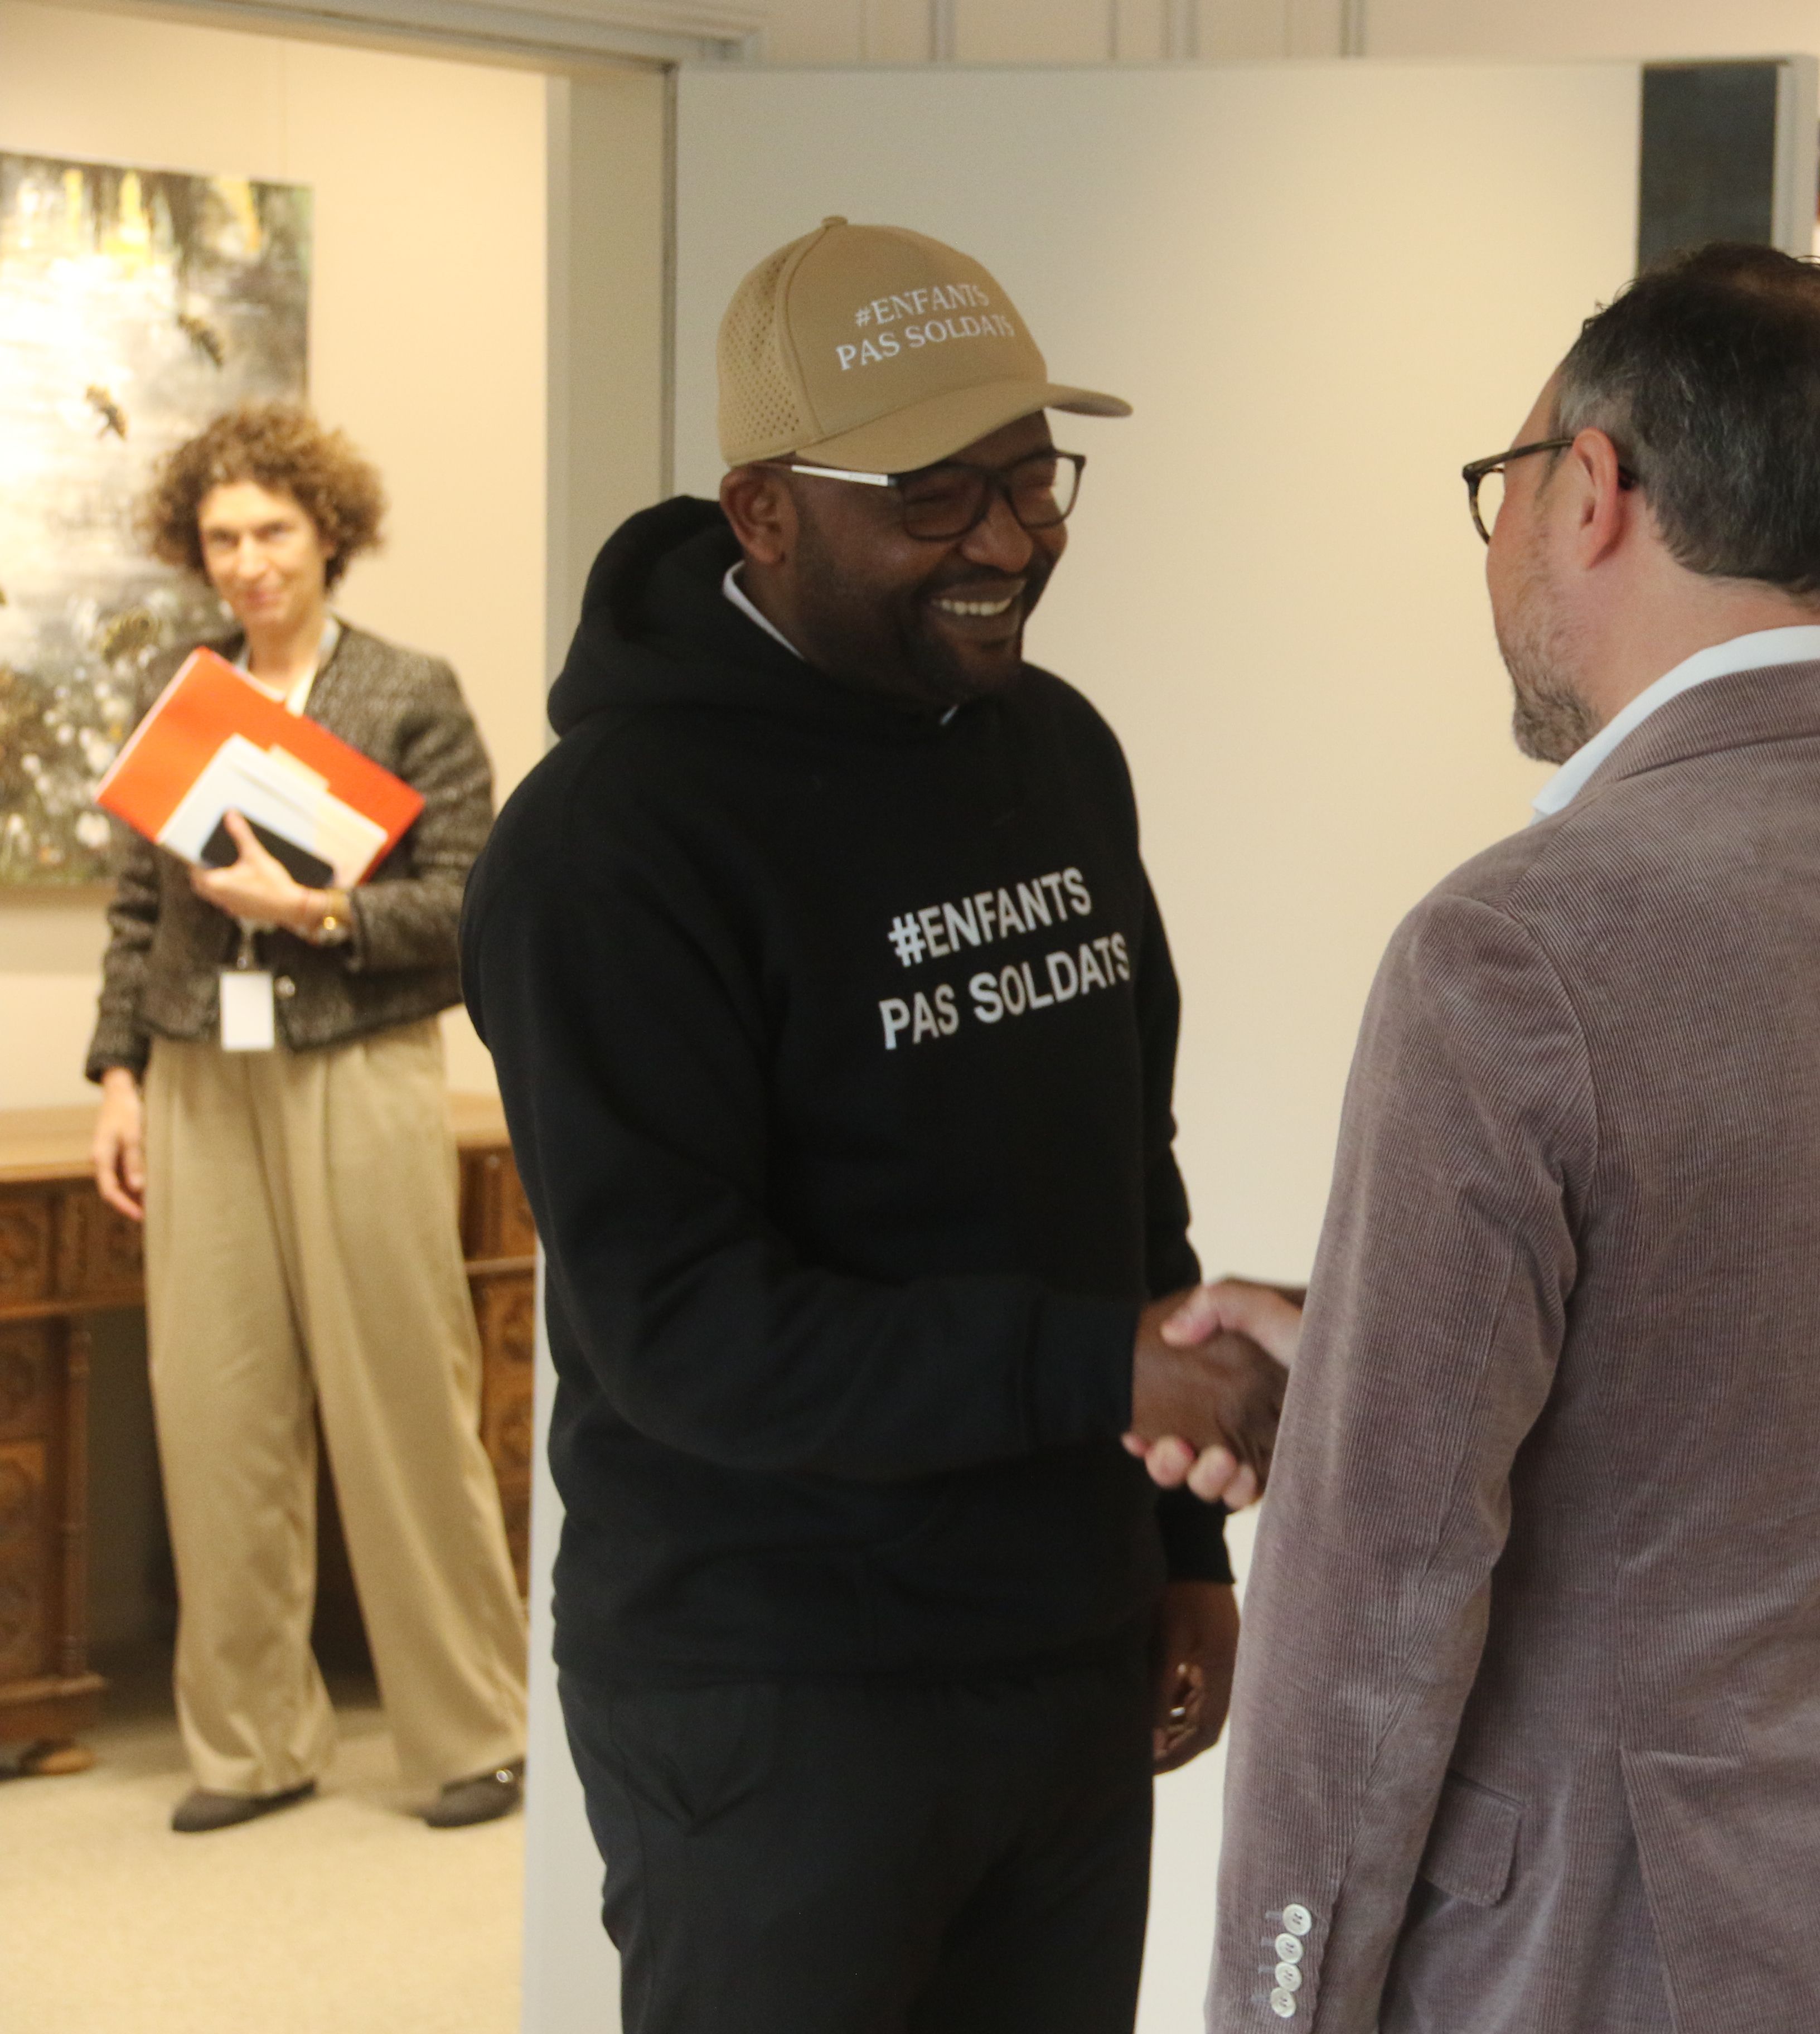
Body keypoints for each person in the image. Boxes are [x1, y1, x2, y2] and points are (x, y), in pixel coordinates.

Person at [1170, 243, 1820, 2033]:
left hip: (1629, 1948)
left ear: (1591, 491)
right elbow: (1786, 1384)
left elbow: (1371, 1610)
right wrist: (1374, 1349)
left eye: (1506, 487)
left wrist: (1275, 2006)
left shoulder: (1516, 945)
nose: (1500, 545)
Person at [458, 217, 1288, 2034]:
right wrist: (1104, 1372)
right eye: (934, 493)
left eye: (1030, 475)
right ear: (762, 510)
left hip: (1061, 1653)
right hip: (777, 1689)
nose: (1012, 538)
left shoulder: (1056, 748)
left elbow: (1114, 1172)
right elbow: (678, 1323)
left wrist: (1175, 1549)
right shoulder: (612, 842)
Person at [90, 401, 530, 1834]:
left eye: (272, 530)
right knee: (215, 1410)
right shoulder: (186, 683)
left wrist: (322, 909)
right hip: (199, 1074)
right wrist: (119, 1076)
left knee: (404, 1395)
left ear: (328, 533)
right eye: (222, 537)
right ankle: (251, 1745)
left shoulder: (408, 689)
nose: (249, 561)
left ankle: (472, 1730)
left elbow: (476, 907)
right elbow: (138, 907)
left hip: (361, 1061)